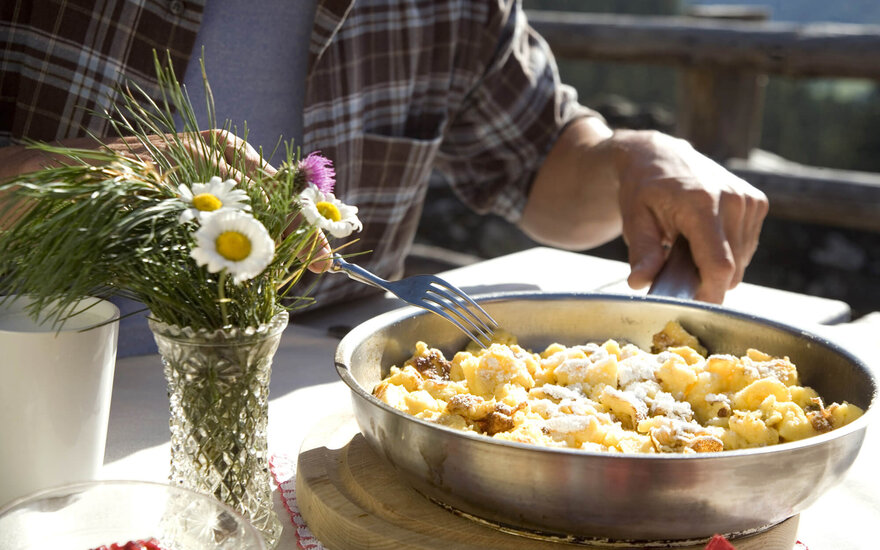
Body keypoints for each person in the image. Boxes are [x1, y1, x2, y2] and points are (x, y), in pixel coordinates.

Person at [0, 0, 767, 352]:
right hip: (34, 403)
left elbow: (547, 166)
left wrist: (636, 157)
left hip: (321, 414)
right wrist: (87, 177)